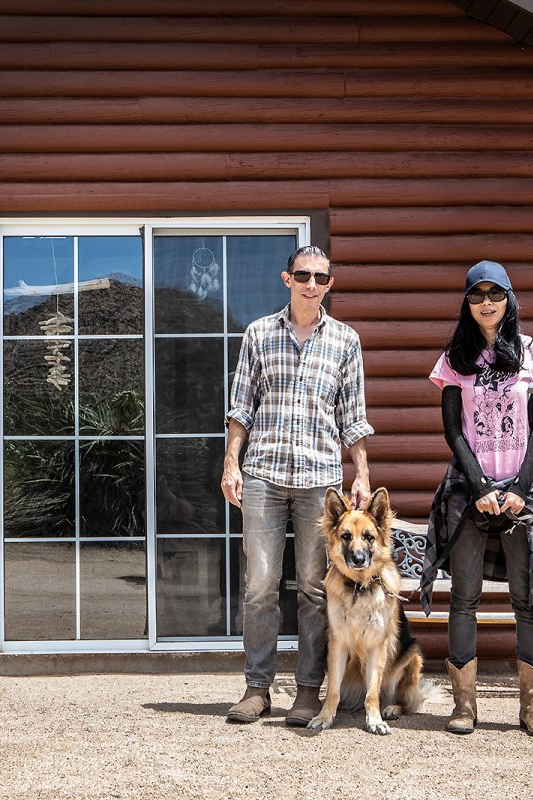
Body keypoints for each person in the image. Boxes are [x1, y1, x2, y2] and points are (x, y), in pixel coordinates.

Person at [221, 244, 374, 726]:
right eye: (303, 275)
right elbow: (240, 406)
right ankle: (257, 688)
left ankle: (308, 691)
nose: (312, 284)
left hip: (319, 481)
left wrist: (362, 472)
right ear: (286, 278)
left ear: (330, 284)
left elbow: (353, 418)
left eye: (321, 277)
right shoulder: (258, 334)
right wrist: (231, 463)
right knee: (261, 586)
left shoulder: (346, 341)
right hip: (263, 473)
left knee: (312, 588)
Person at [421, 260, 533, 739]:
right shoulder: (454, 358)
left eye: (496, 294)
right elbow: (452, 430)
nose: (487, 302)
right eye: (478, 294)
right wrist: (481, 488)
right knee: (464, 600)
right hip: (469, 493)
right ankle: (464, 706)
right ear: (467, 301)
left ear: (509, 299)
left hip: (523, 492)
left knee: (526, 601)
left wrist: (520, 491)